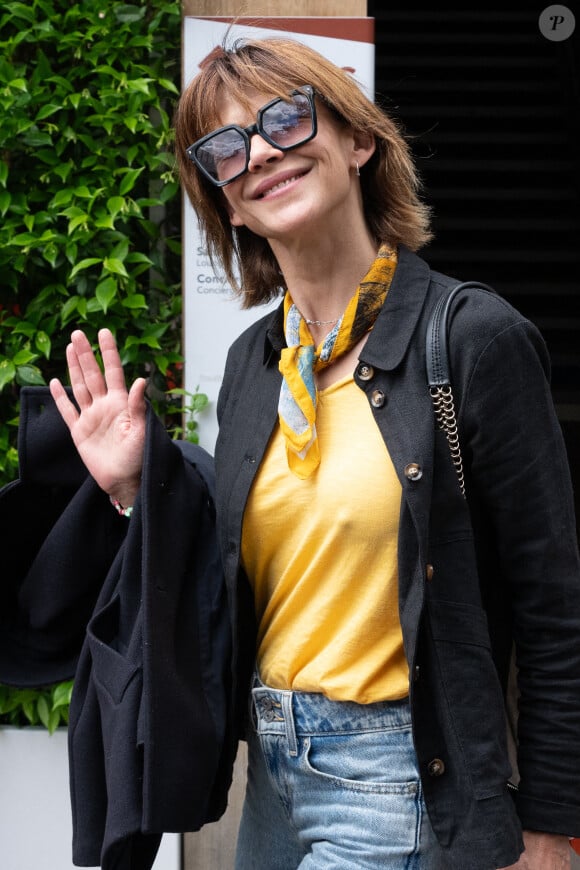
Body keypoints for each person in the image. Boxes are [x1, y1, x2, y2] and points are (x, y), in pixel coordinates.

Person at [39, 34, 580, 869]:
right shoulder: (256, 364)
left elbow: (556, 611)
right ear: (228, 203)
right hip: (272, 781)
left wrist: (551, 829)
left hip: (400, 778)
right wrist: (137, 489)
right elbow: (243, 580)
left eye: (286, 120)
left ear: (359, 141)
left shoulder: (473, 341)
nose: (258, 153)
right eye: (225, 149)